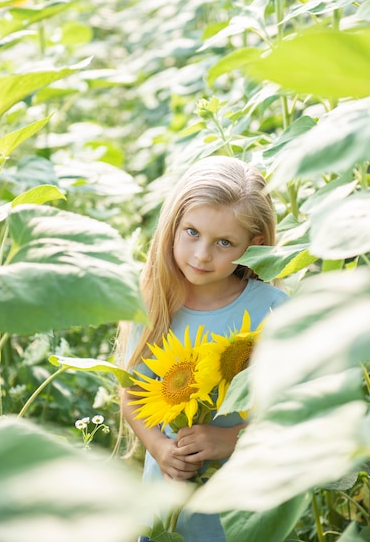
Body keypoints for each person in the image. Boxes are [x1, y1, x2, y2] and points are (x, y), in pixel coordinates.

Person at [117, 154, 289, 542]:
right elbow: (133, 393)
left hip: (240, 511)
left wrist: (230, 439)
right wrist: (160, 448)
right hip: (166, 512)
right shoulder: (154, 303)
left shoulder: (272, 310)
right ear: (174, 225)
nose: (202, 255)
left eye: (224, 242)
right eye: (192, 232)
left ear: (254, 245)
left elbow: (295, 410)